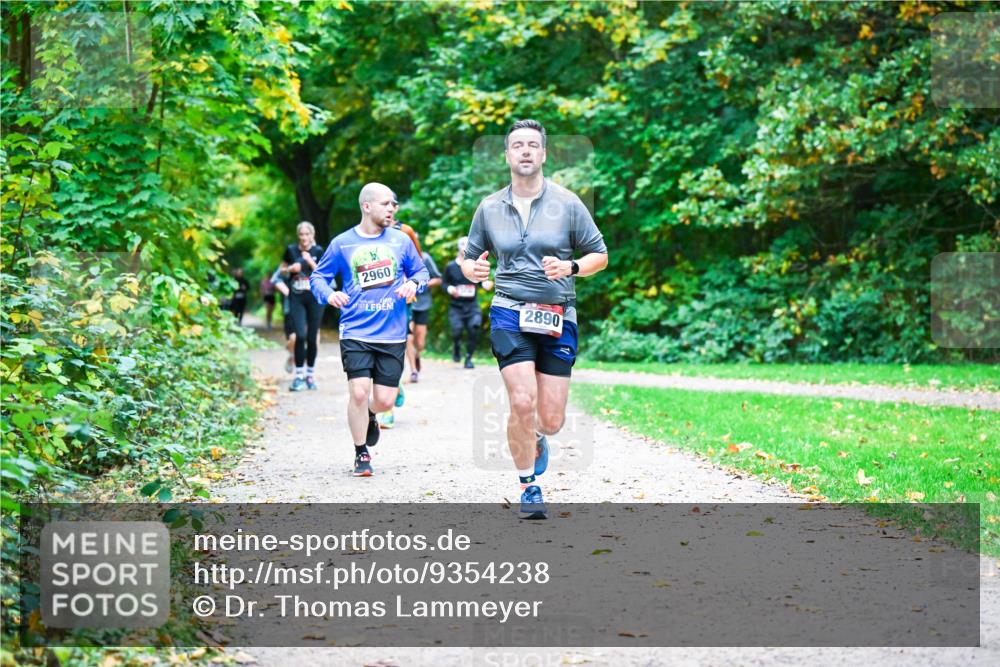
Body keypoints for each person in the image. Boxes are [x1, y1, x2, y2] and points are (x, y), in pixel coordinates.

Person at [462, 119, 608, 519]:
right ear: (507, 155)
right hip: (509, 309)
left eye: (532, 145)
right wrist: (472, 271)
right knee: (522, 401)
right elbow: (469, 258)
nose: (525, 151)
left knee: (552, 418)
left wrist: (572, 267)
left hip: (558, 314)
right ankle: (529, 486)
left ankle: (540, 436)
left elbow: (601, 255)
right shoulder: (490, 207)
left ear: (543, 154)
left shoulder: (568, 203)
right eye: (517, 145)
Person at [310, 182, 429, 477]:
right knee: (359, 393)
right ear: (367, 206)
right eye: (386, 204)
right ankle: (361, 452)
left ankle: (372, 415)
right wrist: (329, 295)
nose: (393, 209)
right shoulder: (342, 244)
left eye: (394, 204)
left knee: (385, 400)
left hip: (392, 333)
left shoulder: (401, 241)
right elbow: (318, 277)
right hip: (355, 331)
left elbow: (421, 272)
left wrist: (413, 283)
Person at [281, 222, 326, 392]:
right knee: (300, 335)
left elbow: (324, 273)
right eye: (302, 234)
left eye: (307, 234)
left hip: (314, 298)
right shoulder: (291, 250)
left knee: (312, 336)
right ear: (298, 235)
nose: (304, 238)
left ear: (312, 235)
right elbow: (282, 270)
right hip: (296, 297)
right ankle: (298, 376)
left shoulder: (319, 251)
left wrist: (309, 261)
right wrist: (291, 268)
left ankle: (310, 375)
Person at [443, 236, 492, 369]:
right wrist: (449, 288)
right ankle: (457, 347)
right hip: (456, 306)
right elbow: (444, 283)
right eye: (462, 244)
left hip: (472, 306)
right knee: (457, 331)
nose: (465, 246)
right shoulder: (450, 266)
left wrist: (485, 284)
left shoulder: (475, 266)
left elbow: (481, 281)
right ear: (458, 247)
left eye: (467, 244)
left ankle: (469, 358)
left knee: (473, 329)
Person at [408, 248, 442, 383]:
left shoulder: (425, 257)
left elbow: (438, 279)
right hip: (405, 303)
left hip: (423, 303)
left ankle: (417, 354)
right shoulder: (397, 254)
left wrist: (419, 284)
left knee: (420, 342)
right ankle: (413, 371)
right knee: (408, 337)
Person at [269, 266, 296, 373]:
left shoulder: (307, 270)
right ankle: (291, 355)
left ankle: (303, 371)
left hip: (307, 311)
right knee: (293, 338)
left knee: (304, 338)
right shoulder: (288, 272)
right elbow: (274, 279)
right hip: (289, 310)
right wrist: (284, 269)